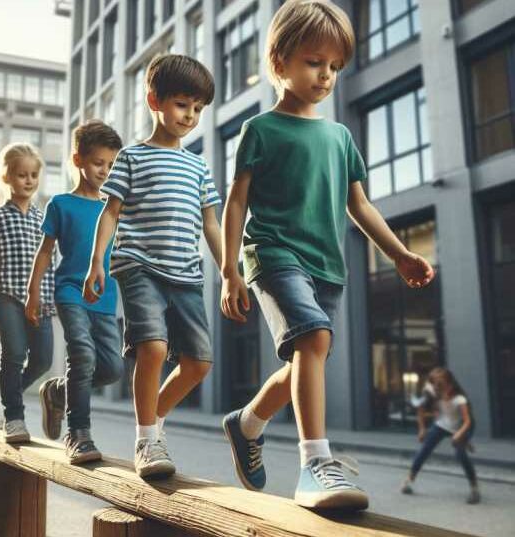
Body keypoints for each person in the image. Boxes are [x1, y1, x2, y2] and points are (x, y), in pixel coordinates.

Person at [219, 0, 435, 510]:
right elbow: (236, 203)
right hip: (272, 253)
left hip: (326, 266)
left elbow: (359, 205)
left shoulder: (339, 136)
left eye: (335, 66)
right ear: (279, 60)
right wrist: (229, 270)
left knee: (305, 359)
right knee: (313, 338)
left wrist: (400, 254)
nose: (327, 75)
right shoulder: (260, 130)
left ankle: (247, 422)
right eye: (315, 61)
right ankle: (315, 464)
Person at [83, 54, 222, 479]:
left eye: (198, 109)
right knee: (154, 348)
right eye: (183, 104)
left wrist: (230, 269)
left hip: (186, 271)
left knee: (199, 362)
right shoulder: (131, 157)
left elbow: (211, 221)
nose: (191, 116)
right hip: (138, 264)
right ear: (154, 100)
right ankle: (147, 440)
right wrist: (98, 263)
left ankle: (153, 419)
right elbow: (110, 212)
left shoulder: (198, 165)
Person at [27, 120, 124, 464]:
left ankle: (57, 392)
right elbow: (45, 251)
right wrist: (33, 292)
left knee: (111, 368)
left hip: (105, 297)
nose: (105, 170)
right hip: (69, 290)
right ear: (78, 159)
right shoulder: (61, 204)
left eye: (112, 165)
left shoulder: (113, 208)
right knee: (82, 355)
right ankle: (78, 434)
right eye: (99, 162)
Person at [0, 142, 56, 443]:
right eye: (22, 175)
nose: (29, 180)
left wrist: (54, 298)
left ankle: (3, 385)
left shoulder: (43, 218)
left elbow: (52, 260)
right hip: (6, 296)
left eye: (34, 175)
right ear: (7, 177)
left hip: (41, 299)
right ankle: (14, 417)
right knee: (14, 354)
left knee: (43, 360)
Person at [401, 367, 480, 504]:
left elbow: (467, 421)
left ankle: (474, 489)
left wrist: (460, 434)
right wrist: (422, 429)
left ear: (449, 382)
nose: (440, 388)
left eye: (442, 383)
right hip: (443, 424)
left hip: (462, 426)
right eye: (435, 383)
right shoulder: (432, 393)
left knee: (460, 453)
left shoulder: (459, 398)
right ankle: (408, 481)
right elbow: (420, 409)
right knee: (425, 449)